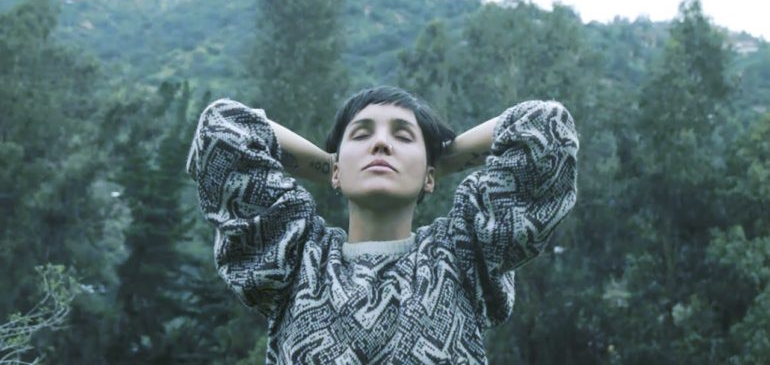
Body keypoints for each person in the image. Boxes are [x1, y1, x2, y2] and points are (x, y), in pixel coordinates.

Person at [186, 86, 578, 364]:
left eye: (403, 137)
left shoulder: (463, 254)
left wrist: (438, 164)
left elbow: (544, 127)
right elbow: (223, 129)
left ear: (430, 176)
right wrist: (333, 168)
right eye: (362, 134)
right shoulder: (295, 257)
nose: (381, 144)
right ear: (336, 168)